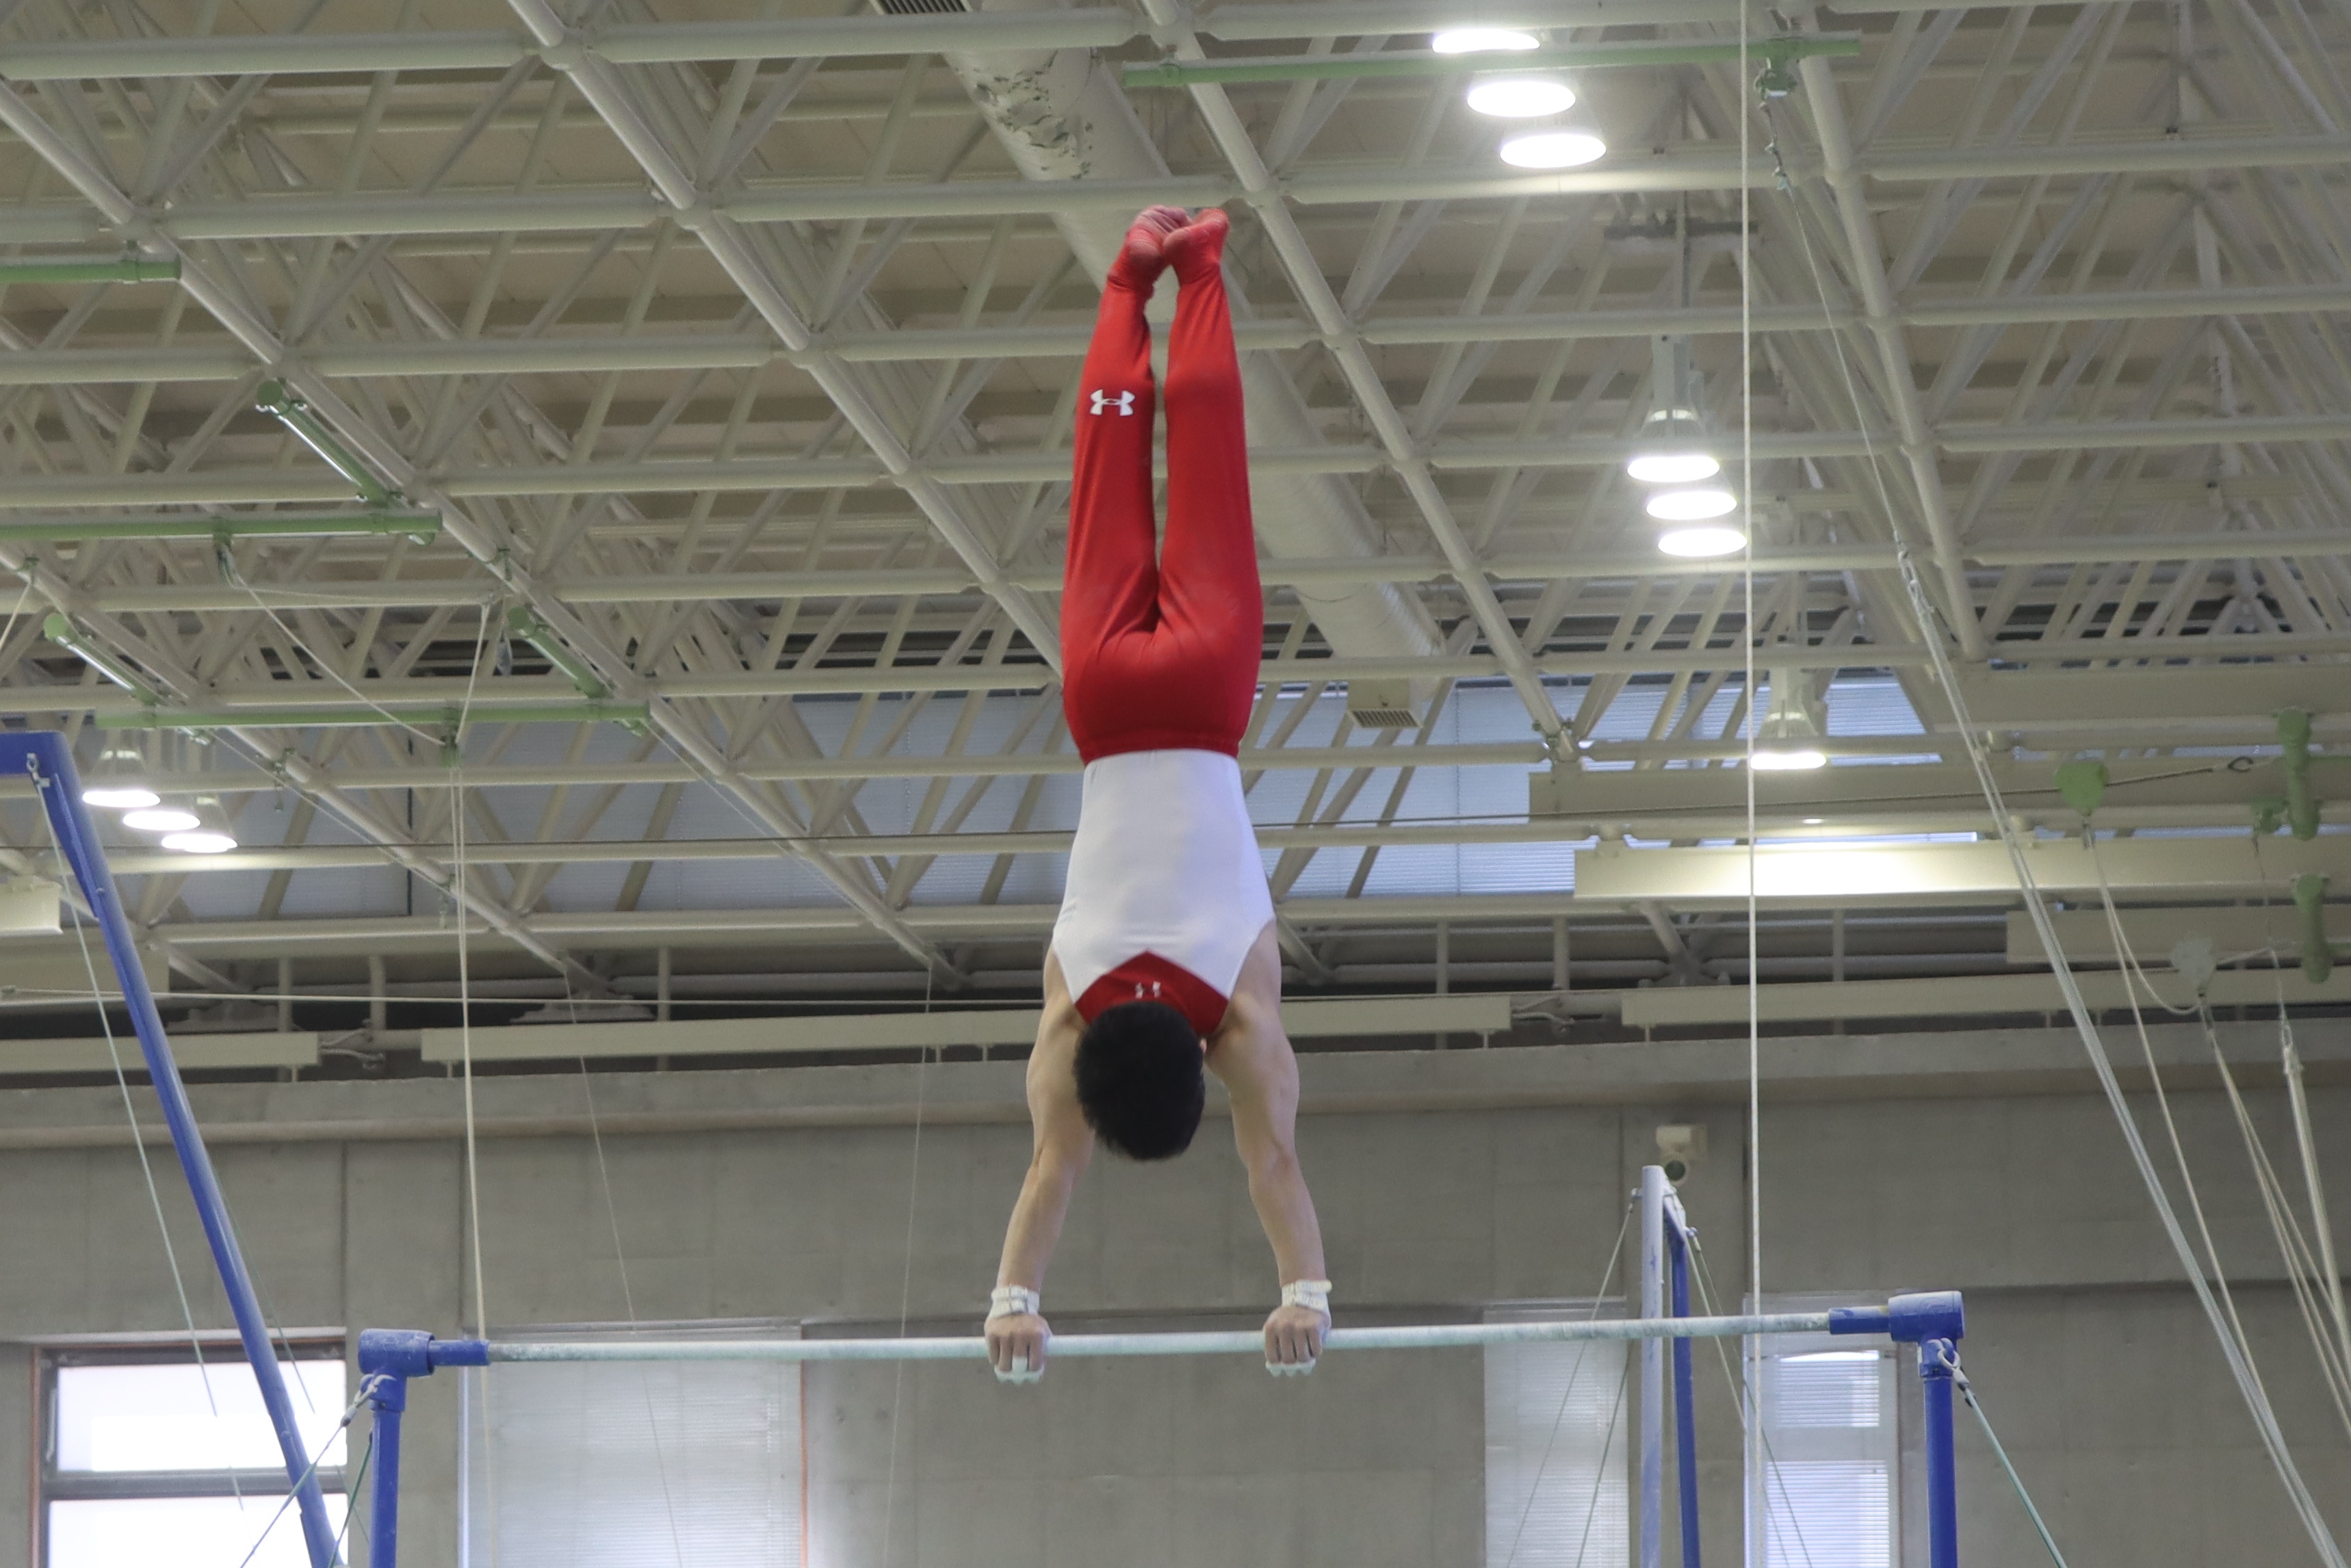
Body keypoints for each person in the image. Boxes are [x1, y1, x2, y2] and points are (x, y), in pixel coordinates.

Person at [983, 206, 1330, 1385]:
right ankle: (1130, 282)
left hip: (1208, 693)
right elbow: (1048, 1174)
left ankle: (1204, 268)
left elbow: (1273, 1169)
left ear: (1198, 1062)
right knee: (1108, 474)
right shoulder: (1068, 1014)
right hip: (1099, 705)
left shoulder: (1240, 1018)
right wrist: (1008, 1303)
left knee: (1213, 465)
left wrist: (1308, 1296)